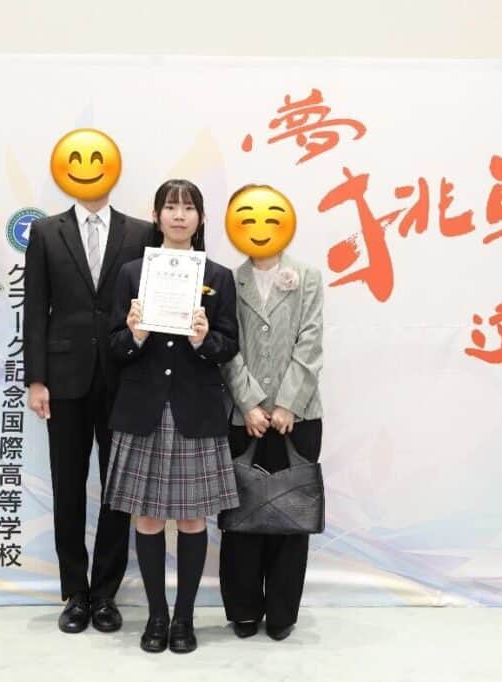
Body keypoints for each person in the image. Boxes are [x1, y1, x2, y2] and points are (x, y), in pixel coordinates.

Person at [104, 178, 239, 654]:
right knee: (145, 518)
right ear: (157, 215)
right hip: (142, 408)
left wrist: (204, 341)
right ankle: (156, 615)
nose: (179, 216)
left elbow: (229, 344)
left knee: (191, 520)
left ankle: (184, 618)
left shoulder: (218, 276)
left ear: (201, 218)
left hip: (194, 409)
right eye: (170, 207)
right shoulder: (132, 273)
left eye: (188, 208)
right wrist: (135, 334)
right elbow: (114, 345)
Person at [23, 142, 152, 635]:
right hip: (64, 379)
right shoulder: (45, 231)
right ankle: (75, 592)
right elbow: (36, 308)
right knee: (68, 486)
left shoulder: (140, 232)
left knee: (118, 489)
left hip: (124, 375)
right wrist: (36, 379)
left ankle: (106, 594)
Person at [219, 184, 324, 641]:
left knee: (290, 515)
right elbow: (226, 346)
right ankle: (243, 609)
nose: (259, 227)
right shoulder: (228, 280)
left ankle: (282, 612)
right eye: (248, 218)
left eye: (269, 217)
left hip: (299, 416)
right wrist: (249, 403)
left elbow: (311, 342)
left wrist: (287, 404)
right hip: (243, 417)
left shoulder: (308, 277)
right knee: (242, 515)